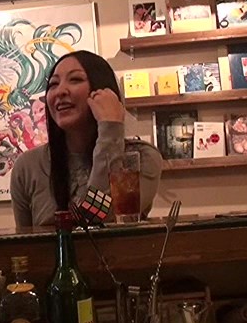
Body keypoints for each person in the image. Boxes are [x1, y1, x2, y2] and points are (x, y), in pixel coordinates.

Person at [11, 50, 162, 227]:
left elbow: (98, 218)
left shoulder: (140, 158)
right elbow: (25, 241)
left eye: (75, 79)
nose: (60, 91)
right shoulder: (27, 166)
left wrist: (110, 128)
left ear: (103, 92)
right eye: (53, 84)